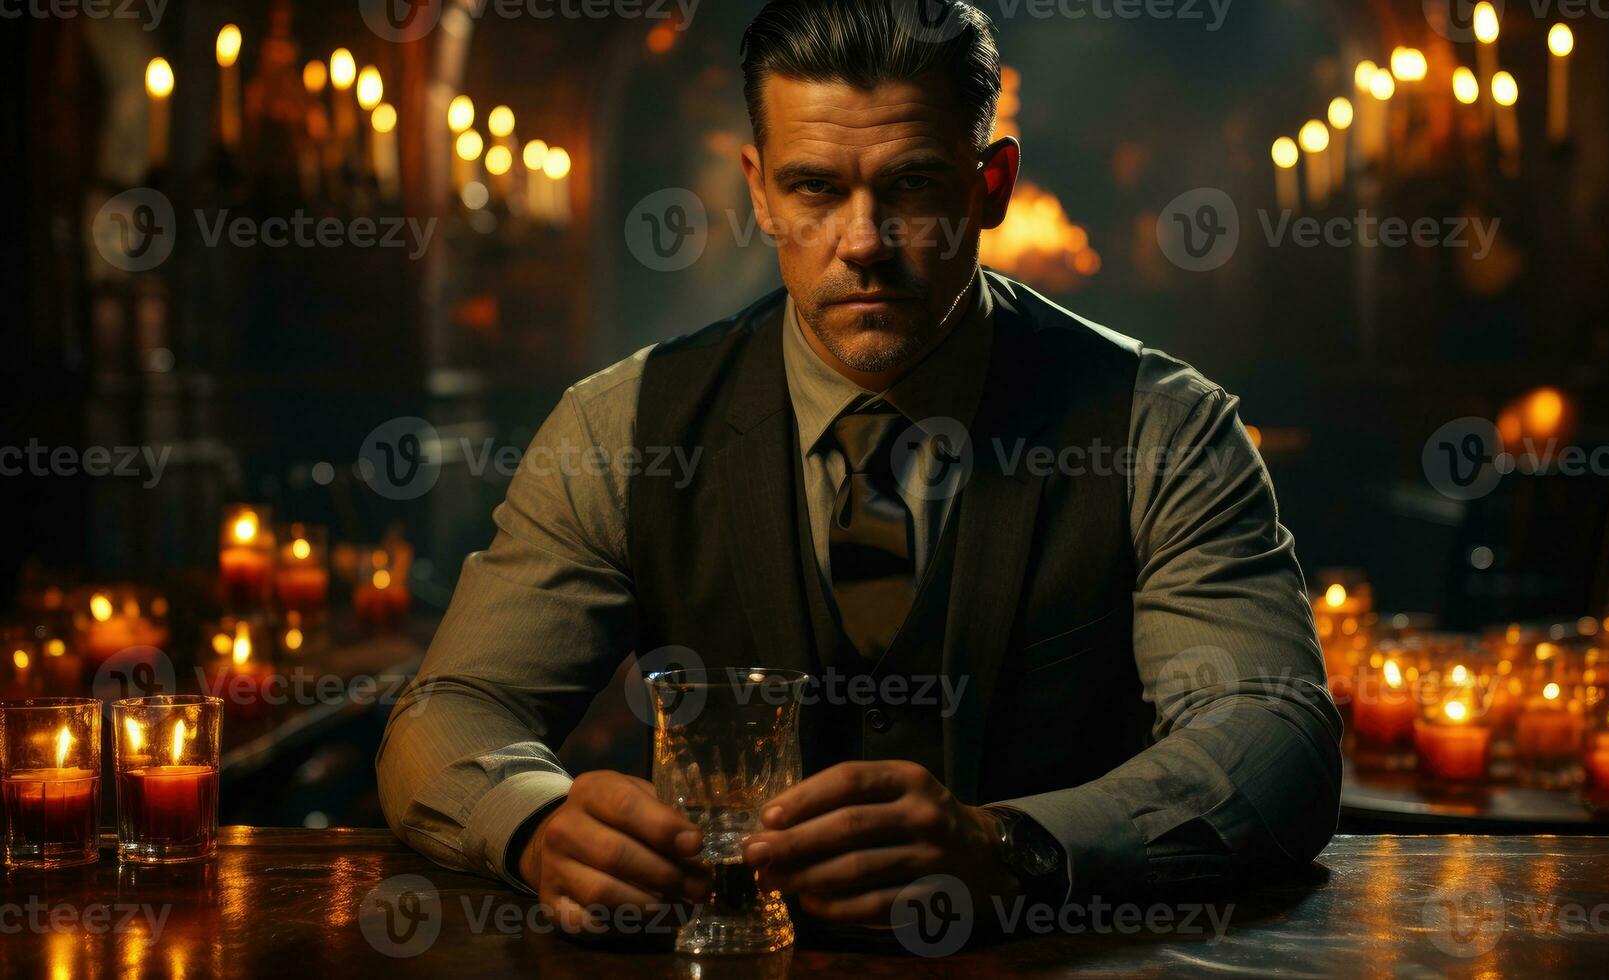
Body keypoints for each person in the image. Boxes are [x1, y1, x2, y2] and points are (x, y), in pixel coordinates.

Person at [378, 0, 1341, 934]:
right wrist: (537, 825)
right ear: (759, 190)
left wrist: (1012, 849)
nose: (865, 243)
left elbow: (1275, 736)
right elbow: (455, 709)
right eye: (815, 189)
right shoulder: (620, 428)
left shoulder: (1160, 428)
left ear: (989, 184)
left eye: (913, 185)